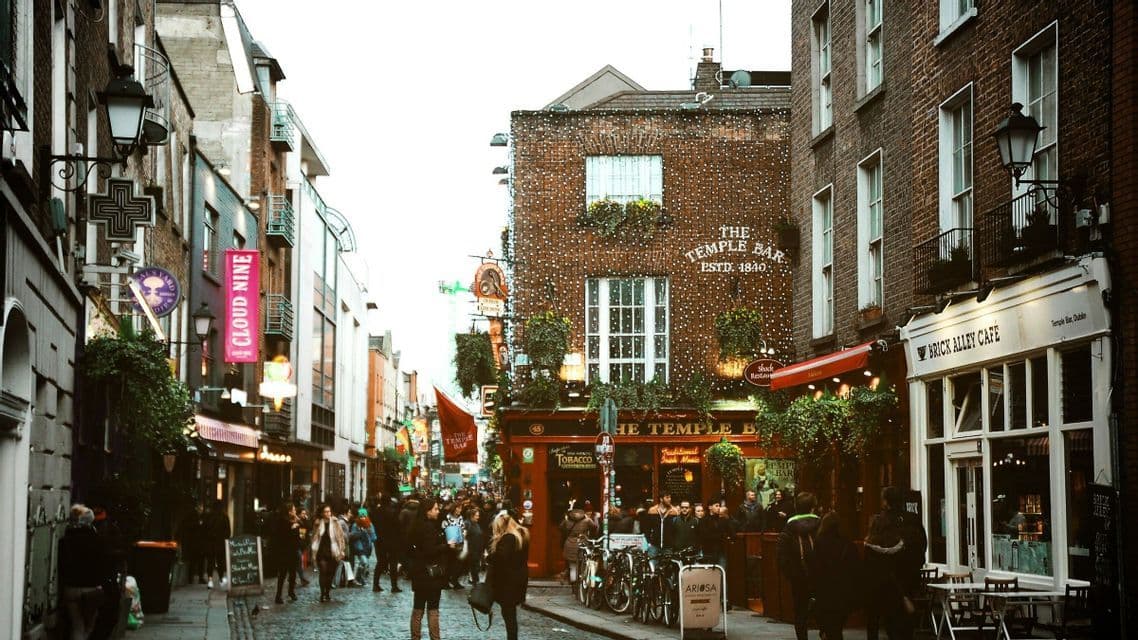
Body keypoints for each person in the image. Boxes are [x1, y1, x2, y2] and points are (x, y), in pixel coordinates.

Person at [864, 487, 928, 640]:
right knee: (906, 623)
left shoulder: (879, 522)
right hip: (910, 577)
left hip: (887, 580)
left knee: (889, 621)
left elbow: (872, 552)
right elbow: (922, 545)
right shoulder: (913, 520)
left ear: (885, 502)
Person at [58, 505, 112, 640]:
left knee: (77, 625)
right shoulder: (97, 540)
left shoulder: (65, 540)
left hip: (71, 588)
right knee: (89, 625)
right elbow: (104, 564)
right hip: (91, 589)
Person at [777, 491, 820, 640]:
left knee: (800, 612)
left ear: (796, 507)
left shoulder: (789, 528)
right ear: (813, 508)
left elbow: (782, 556)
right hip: (820, 575)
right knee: (823, 609)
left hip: (798, 577)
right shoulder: (821, 526)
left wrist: (791, 574)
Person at [810, 512, 860, 640]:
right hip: (843, 590)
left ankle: (825, 633)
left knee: (828, 624)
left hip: (825, 590)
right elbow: (855, 568)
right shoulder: (848, 543)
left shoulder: (819, 542)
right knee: (837, 625)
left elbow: (815, 568)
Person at [408, 498, 448, 640]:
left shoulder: (416, 525)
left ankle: (415, 637)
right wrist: (446, 545)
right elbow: (430, 550)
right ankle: (435, 638)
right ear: (427, 511)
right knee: (433, 609)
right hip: (431, 573)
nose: (438, 511)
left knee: (418, 608)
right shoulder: (429, 528)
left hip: (419, 572)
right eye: (435, 509)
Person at [488, 512, 530, 640]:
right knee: (510, 612)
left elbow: (501, 558)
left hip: (507, 582)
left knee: (509, 614)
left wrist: (489, 557)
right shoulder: (522, 535)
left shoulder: (508, 538)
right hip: (518, 578)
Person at [310, 504, 346, 602]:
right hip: (321, 551)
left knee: (331, 573)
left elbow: (341, 537)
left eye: (329, 511)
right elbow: (313, 537)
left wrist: (342, 549)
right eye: (325, 512)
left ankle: (327, 592)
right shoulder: (317, 523)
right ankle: (322, 594)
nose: (328, 513)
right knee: (323, 571)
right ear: (322, 513)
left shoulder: (335, 522)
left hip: (333, 550)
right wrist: (312, 549)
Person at [269, 502, 302, 604]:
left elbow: (304, 525)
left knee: (292, 573)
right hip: (284, 552)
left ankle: (291, 592)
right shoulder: (282, 522)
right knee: (283, 574)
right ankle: (278, 595)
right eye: (294, 510)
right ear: (289, 511)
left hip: (293, 551)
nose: (295, 511)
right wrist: (292, 528)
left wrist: (296, 520)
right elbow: (281, 536)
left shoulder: (294, 521)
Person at [559, 501, 598, 582]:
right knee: (582, 563)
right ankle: (581, 582)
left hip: (569, 543)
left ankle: (573, 581)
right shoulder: (587, 520)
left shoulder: (567, 520)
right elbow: (595, 527)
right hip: (582, 543)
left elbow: (561, 528)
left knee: (572, 565)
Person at [177, 503, 207, 585]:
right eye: (199, 507)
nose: (200, 509)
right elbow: (188, 528)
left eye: (201, 507)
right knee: (193, 561)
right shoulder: (192, 517)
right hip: (194, 542)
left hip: (200, 543)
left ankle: (200, 578)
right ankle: (190, 578)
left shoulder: (203, 517)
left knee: (200, 561)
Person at [203, 501, 231, 589]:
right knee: (220, 562)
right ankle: (221, 579)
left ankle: (210, 580)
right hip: (220, 543)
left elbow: (204, 529)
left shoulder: (209, 517)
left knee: (211, 562)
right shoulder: (224, 517)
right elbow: (228, 531)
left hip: (211, 543)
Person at [700, 502, 734, 568]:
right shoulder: (704, 520)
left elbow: (732, 533)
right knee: (710, 574)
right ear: (710, 507)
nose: (719, 508)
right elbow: (705, 536)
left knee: (722, 572)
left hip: (721, 551)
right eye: (716, 506)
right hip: (709, 552)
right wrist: (722, 536)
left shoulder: (723, 520)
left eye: (719, 506)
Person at [442, 501, 468, 589]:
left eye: (460, 508)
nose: (459, 510)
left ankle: (454, 580)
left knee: (458, 563)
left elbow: (463, 527)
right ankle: (445, 582)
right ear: (454, 508)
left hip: (459, 543)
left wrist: (464, 532)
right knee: (449, 563)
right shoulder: (447, 517)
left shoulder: (460, 517)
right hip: (450, 543)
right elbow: (444, 528)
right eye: (458, 508)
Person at [350, 507, 376, 587]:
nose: (363, 518)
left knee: (365, 564)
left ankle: (359, 578)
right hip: (360, 547)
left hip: (367, 547)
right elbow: (352, 536)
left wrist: (370, 533)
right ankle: (358, 578)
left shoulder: (370, 524)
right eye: (361, 516)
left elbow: (374, 537)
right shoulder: (355, 525)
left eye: (364, 516)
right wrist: (359, 533)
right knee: (364, 562)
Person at [465, 507, 486, 585]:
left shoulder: (476, 524)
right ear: (471, 516)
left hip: (477, 548)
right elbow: (464, 536)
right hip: (471, 549)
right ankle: (474, 581)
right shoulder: (467, 523)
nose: (478, 517)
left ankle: (475, 580)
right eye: (476, 515)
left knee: (476, 565)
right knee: (473, 565)